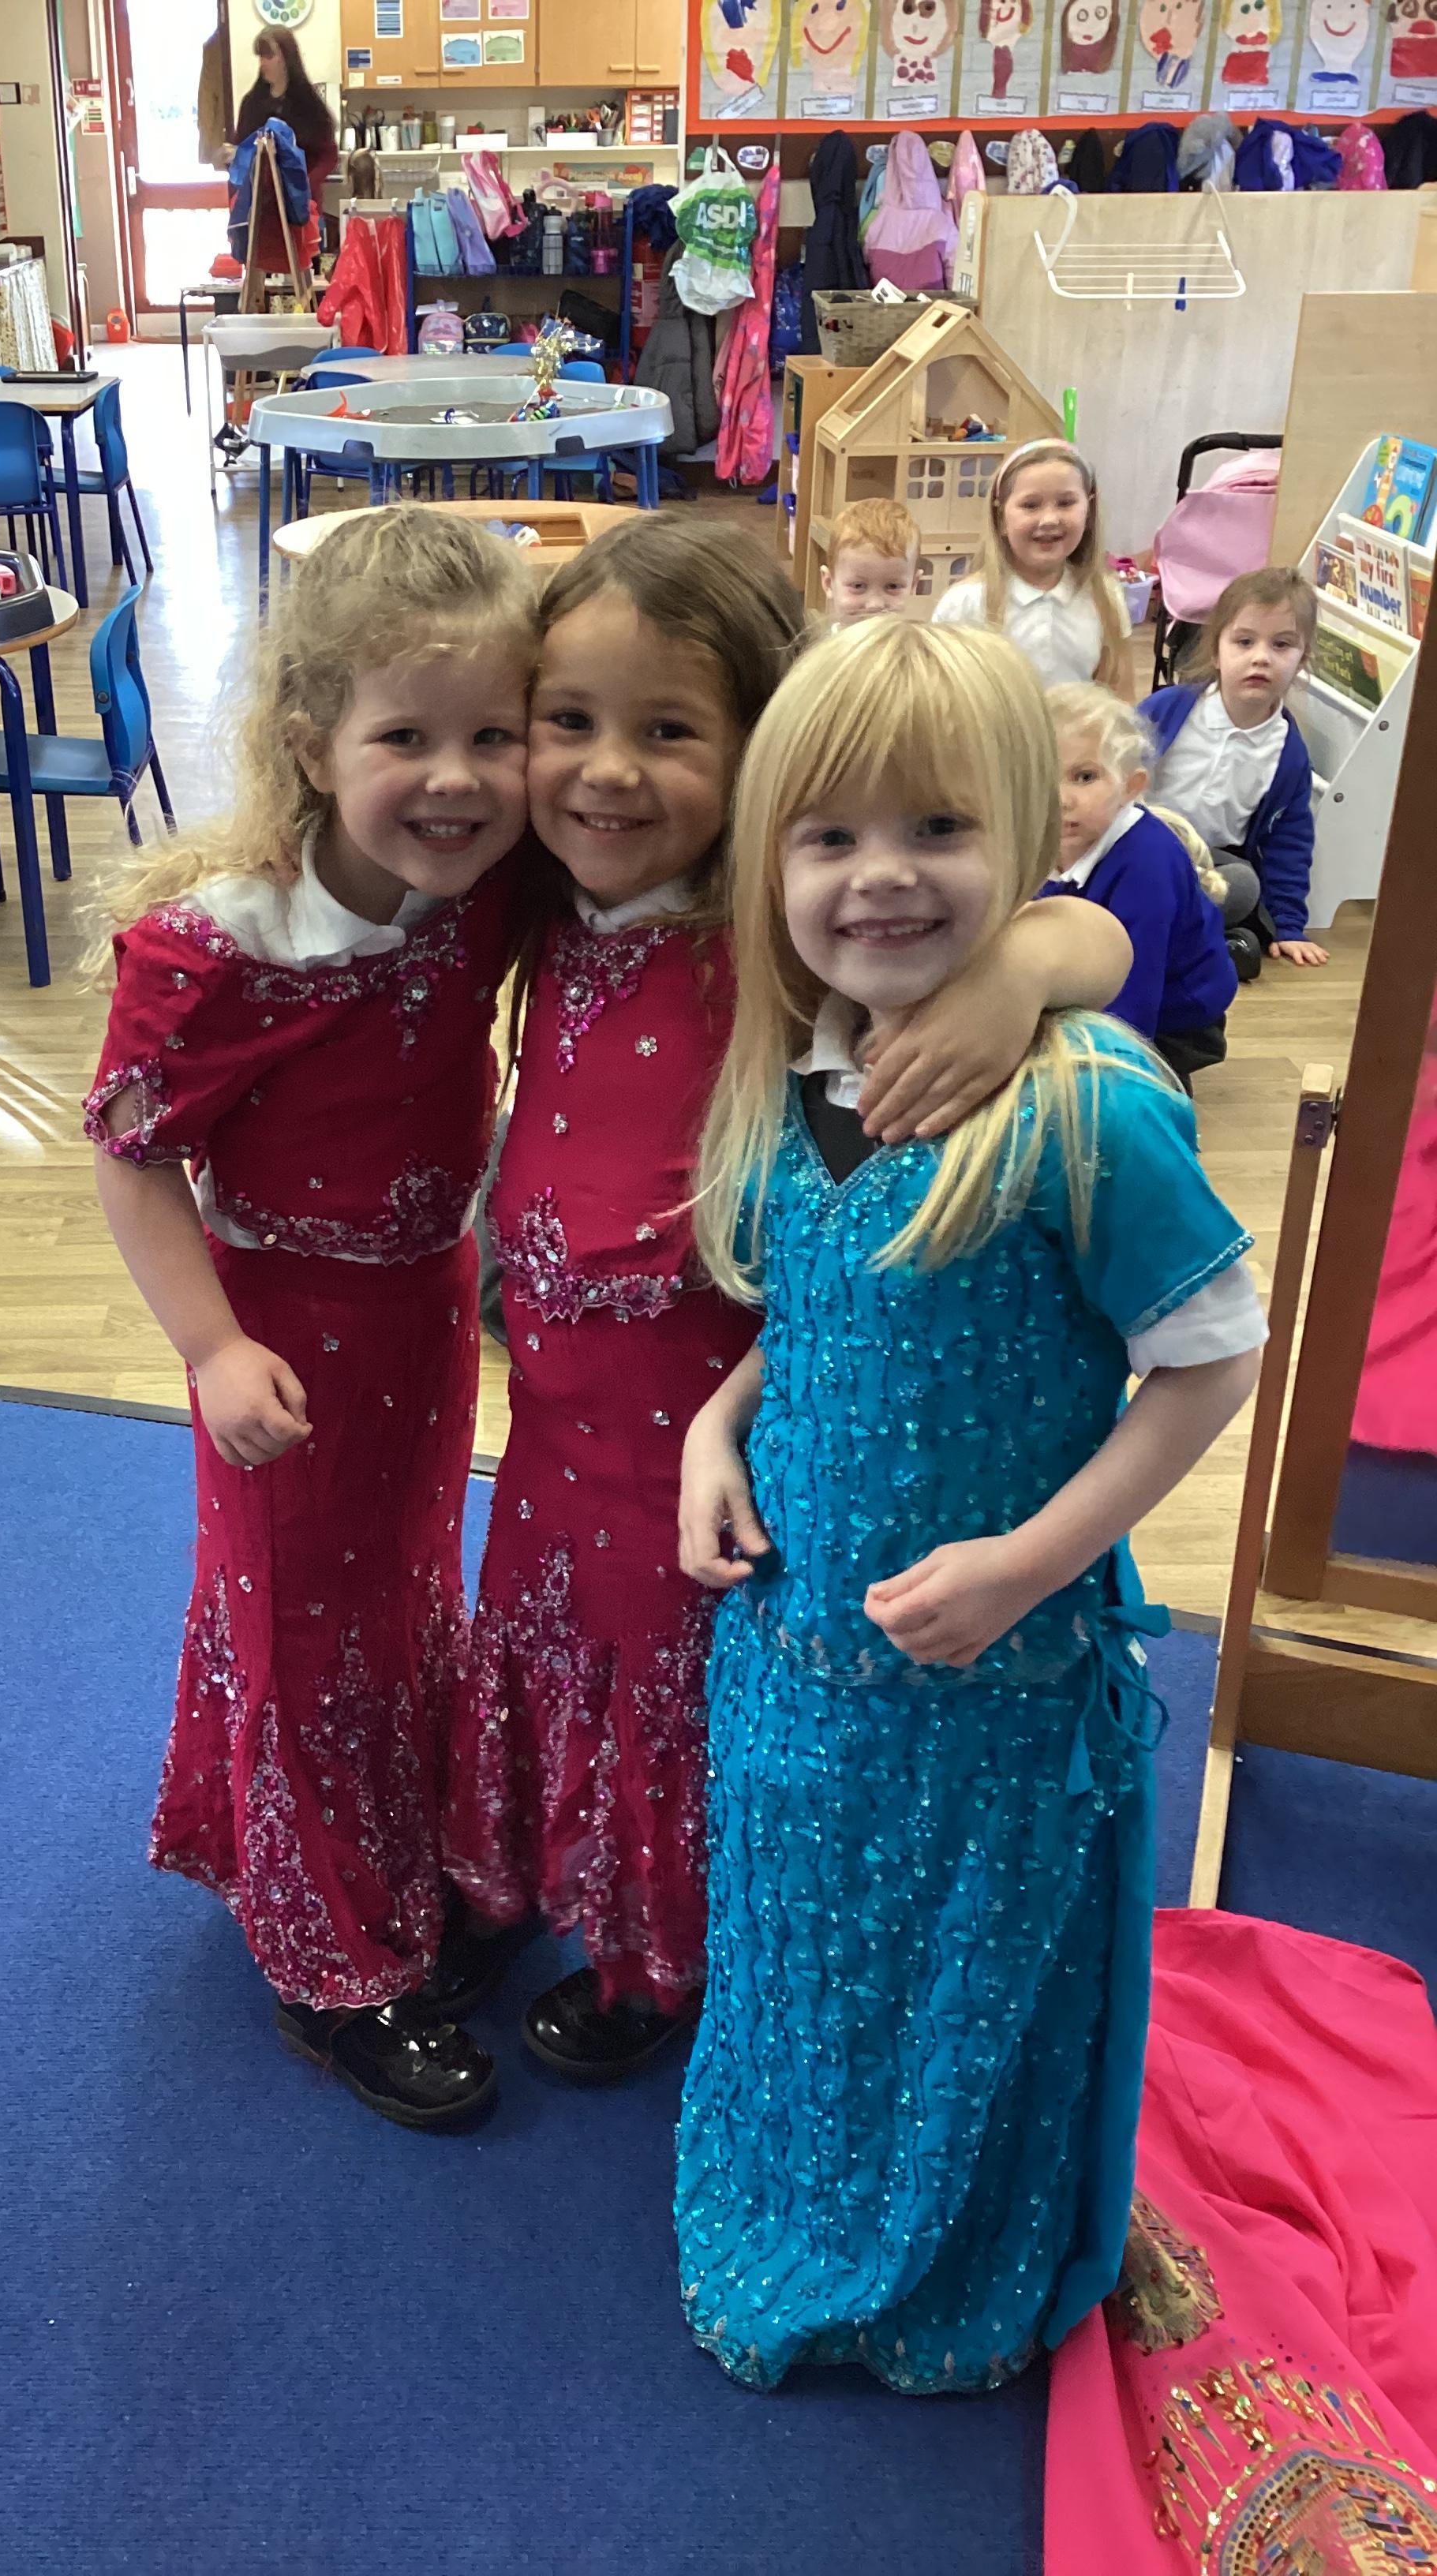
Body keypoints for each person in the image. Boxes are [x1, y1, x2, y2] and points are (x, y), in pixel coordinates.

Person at [443, 519, 1136, 2086]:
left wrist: (1020, 965)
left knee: (668, 1679)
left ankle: (659, 1951)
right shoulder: (543, 901)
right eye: (570, 721)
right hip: (549, 1404)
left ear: (762, 752)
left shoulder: (779, 938)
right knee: (540, 1628)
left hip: (704, 1419)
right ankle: (520, 1868)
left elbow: (1092, 927)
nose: (607, 772)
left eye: (666, 730)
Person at [675, 616, 1264, 2394]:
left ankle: (953, 2237)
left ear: (1025, 839)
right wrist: (716, 1423)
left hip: (991, 1682)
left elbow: (1210, 1361)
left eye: (936, 829)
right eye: (830, 836)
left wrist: (1026, 1563)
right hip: (799, 1653)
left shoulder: (1087, 1102)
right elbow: (814, 1307)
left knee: (965, 1962)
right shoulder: (789, 1071)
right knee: (817, 1945)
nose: (880, 877)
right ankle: (818, 2191)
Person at [84, 510, 538, 2132]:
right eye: (405, 737)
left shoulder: (486, 882)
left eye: (495, 735)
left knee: (399, 1592)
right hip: (276, 1329)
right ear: (308, 741)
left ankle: (390, 1838)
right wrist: (208, 1345)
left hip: (423, 1309)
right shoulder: (216, 947)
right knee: (294, 1620)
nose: (456, 779)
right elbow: (131, 1151)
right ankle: (329, 1961)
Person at [1044, 682, 1238, 1086]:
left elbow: (1136, 997)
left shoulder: (1146, 865)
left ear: (1129, 787)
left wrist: (1109, 1078)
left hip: (1173, 1014)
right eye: (1042, 776)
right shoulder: (1043, 836)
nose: (1061, 798)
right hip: (1085, 983)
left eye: (1084, 777)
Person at [1141, 567, 1325, 969]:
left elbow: (1289, 845)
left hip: (1207, 863)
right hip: (1142, 846)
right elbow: (1109, 768)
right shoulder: (1168, 710)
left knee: (1243, 885)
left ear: (1302, 660)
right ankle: (1192, 939)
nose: (1261, 657)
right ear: (1216, 651)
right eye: (1244, 642)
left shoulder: (1288, 754)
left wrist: (1289, 926)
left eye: (1282, 645)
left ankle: (1172, 935)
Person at [933, 437, 1128, 686]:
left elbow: (1120, 691)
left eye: (1066, 503)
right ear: (1001, 518)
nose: (1049, 519)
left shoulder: (1105, 596)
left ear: (1089, 511)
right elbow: (939, 693)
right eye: (1031, 505)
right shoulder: (964, 603)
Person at [220, 28, 336, 279]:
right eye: (260, 56)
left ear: (286, 57)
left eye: (269, 56)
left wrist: (305, 185)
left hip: (301, 208)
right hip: (261, 209)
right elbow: (242, 151)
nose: (263, 63)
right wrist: (231, 157)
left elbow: (328, 155)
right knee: (262, 277)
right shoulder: (252, 104)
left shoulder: (310, 105)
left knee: (303, 278)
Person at [819, 497, 921, 623]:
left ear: (914, 585)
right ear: (829, 583)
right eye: (858, 586)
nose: (875, 605)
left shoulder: (915, 637)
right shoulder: (822, 638)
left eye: (893, 586)